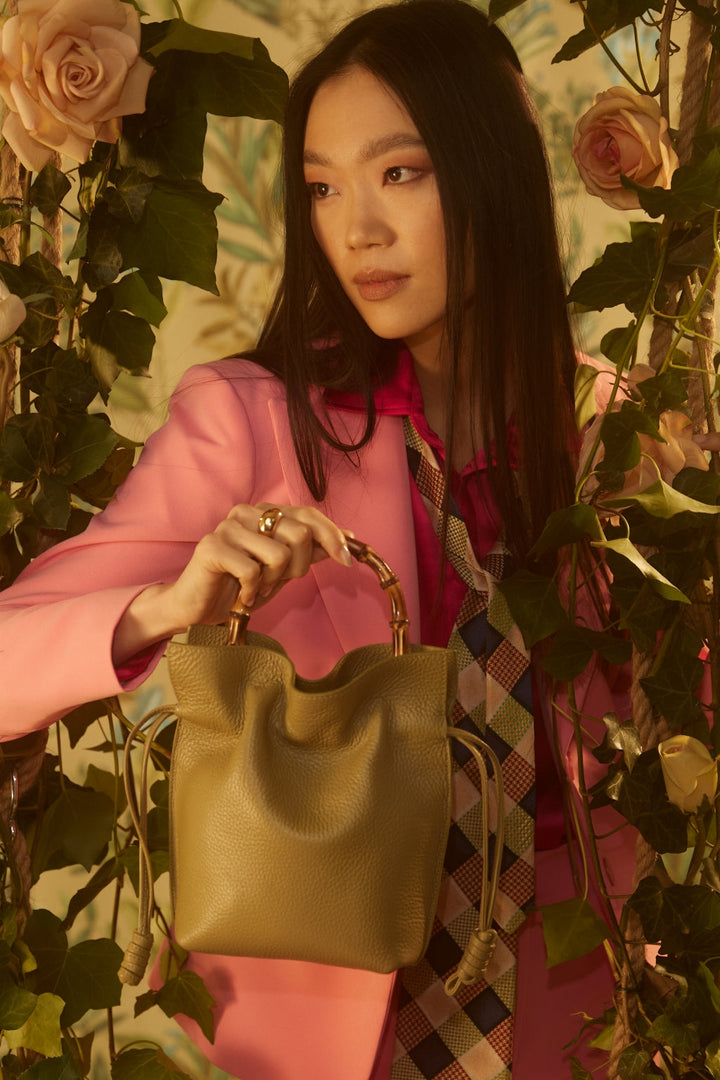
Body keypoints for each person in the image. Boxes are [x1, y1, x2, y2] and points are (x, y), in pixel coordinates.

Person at [0, 1, 635, 1077]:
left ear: (493, 172)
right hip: (319, 1015)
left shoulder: (616, 431)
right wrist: (166, 606)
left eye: (401, 174)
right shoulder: (250, 417)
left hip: (575, 997)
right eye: (324, 186)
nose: (357, 230)